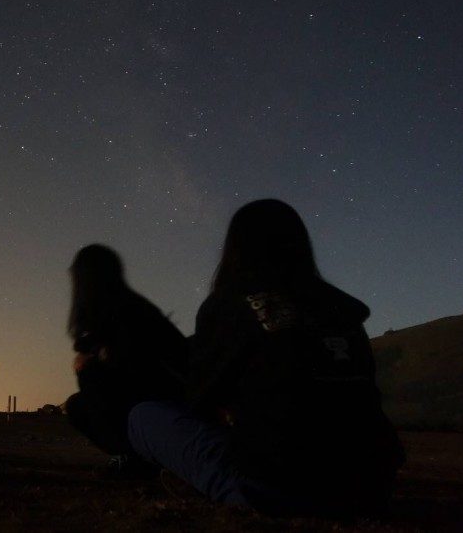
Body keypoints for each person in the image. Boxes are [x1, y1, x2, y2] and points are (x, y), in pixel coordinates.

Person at [127, 200, 404, 516]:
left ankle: (215, 485)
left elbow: (199, 399)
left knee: (143, 417)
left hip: (277, 487)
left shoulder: (229, 303)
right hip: (371, 489)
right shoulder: (342, 311)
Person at [64, 244, 188, 472]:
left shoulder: (130, 311)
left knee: (91, 376)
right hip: (144, 399)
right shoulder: (105, 317)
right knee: (77, 405)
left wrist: (98, 359)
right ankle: (136, 453)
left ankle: (140, 454)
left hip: (159, 399)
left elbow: (146, 365)